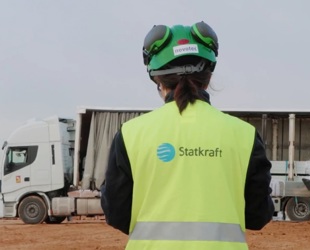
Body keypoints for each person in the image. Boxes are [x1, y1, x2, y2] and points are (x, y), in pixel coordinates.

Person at [100, 21, 274, 250]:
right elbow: (257, 215)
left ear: (157, 79)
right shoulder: (244, 135)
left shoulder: (131, 134)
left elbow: (116, 213)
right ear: (208, 77)